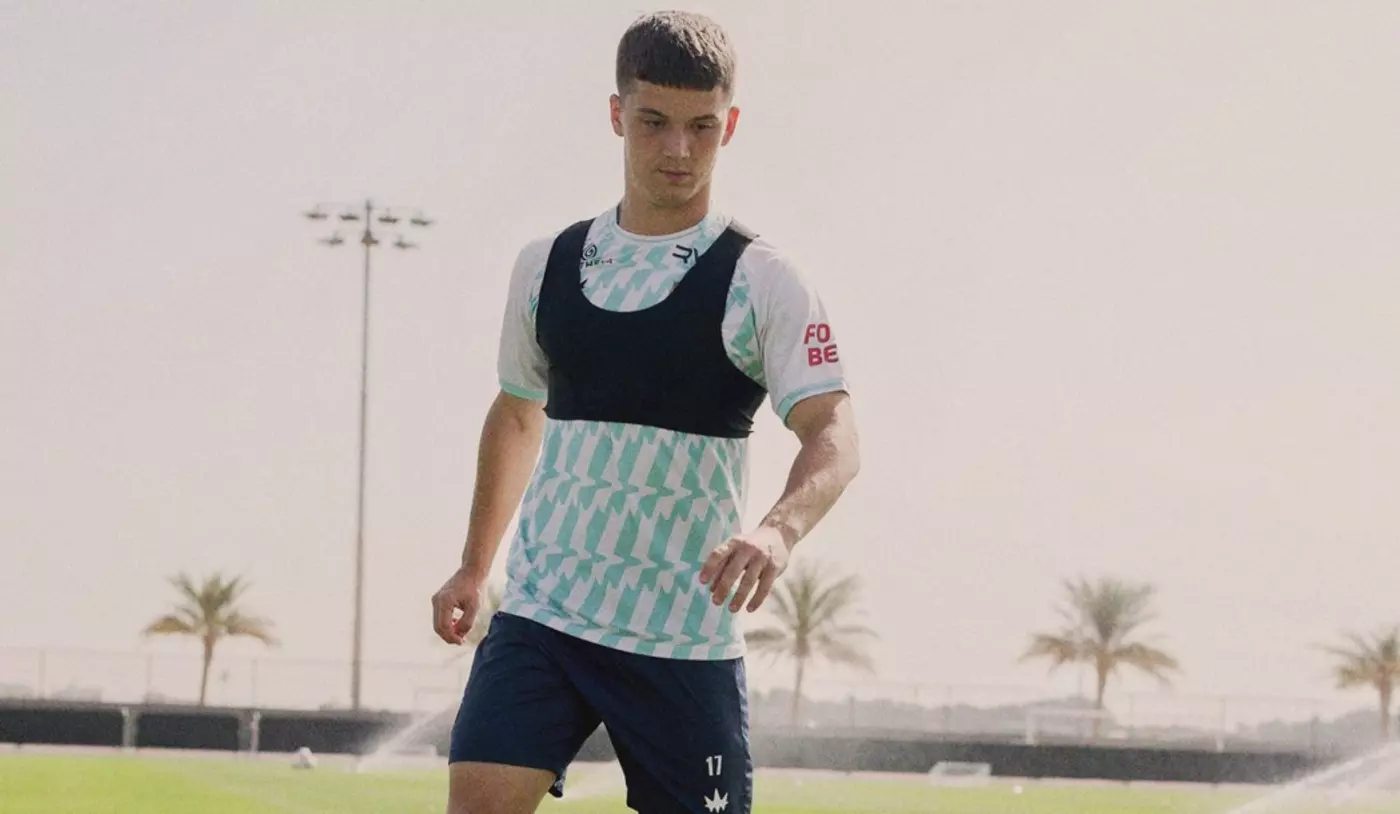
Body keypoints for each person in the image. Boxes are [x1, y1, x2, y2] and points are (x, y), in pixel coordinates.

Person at [431, 10, 861, 814]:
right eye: (654, 121)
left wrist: (778, 530)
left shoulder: (763, 279)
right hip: (544, 618)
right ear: (616, 114)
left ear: (730, 125)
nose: (678, 149)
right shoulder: (546, 265)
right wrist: (474, 566)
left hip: (684, 642)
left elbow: (834, 433)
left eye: (702, 127)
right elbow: (518, 413)